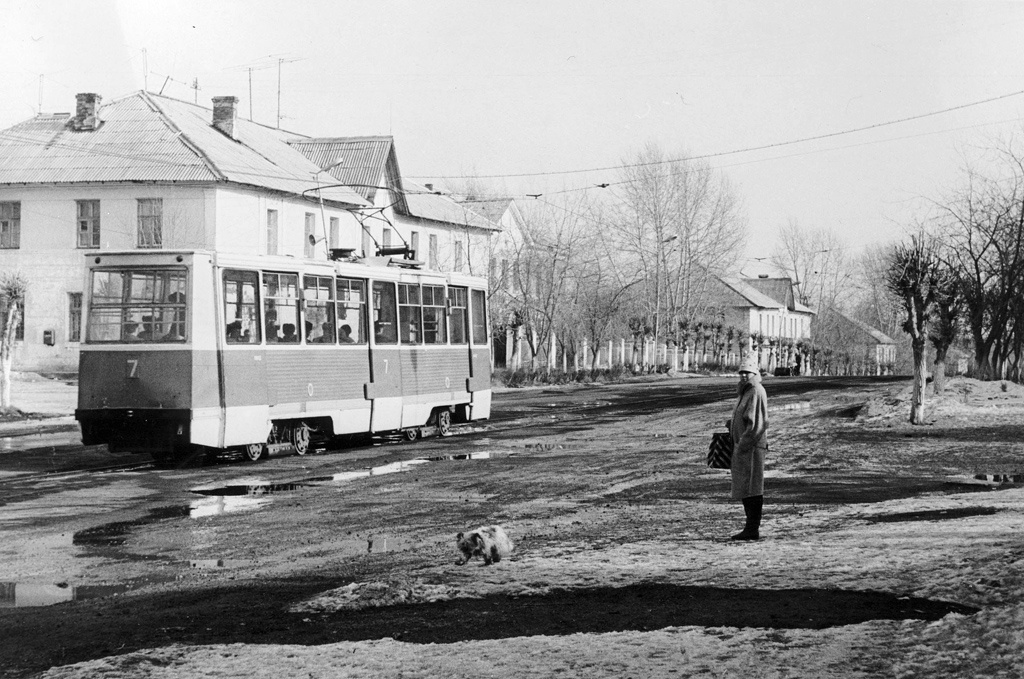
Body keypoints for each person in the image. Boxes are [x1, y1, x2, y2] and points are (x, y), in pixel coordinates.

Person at [728, 352, 768, 541]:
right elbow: (745, 417)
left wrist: (743, 444)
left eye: (748, 372)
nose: (744, 375)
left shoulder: (756, 391)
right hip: (743, 447)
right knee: (745, 487)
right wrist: (732, 424)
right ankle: (750, 527)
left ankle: (752, 528)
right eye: (742, 372)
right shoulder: (746, 391)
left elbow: (758, 424)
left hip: (750, 448)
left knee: (752, 487)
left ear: (754, 373)